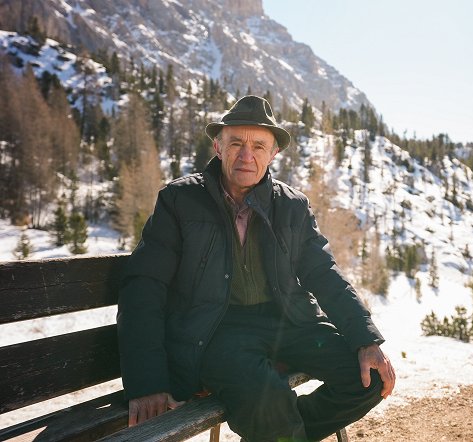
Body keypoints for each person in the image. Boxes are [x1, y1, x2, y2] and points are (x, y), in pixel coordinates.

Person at [117, 95, 395, 441]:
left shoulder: (292, 206)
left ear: (273, 153)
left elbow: (323, 273)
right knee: (268, 401)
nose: (247, 155)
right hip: (214, 332)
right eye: (236, 143)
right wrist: (148, 382)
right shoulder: (179, 200)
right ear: (218, 146)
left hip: (286, 323)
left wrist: (365, 339)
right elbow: (144, 286)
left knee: (368, 379)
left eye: (259, 146)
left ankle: (284, 434)